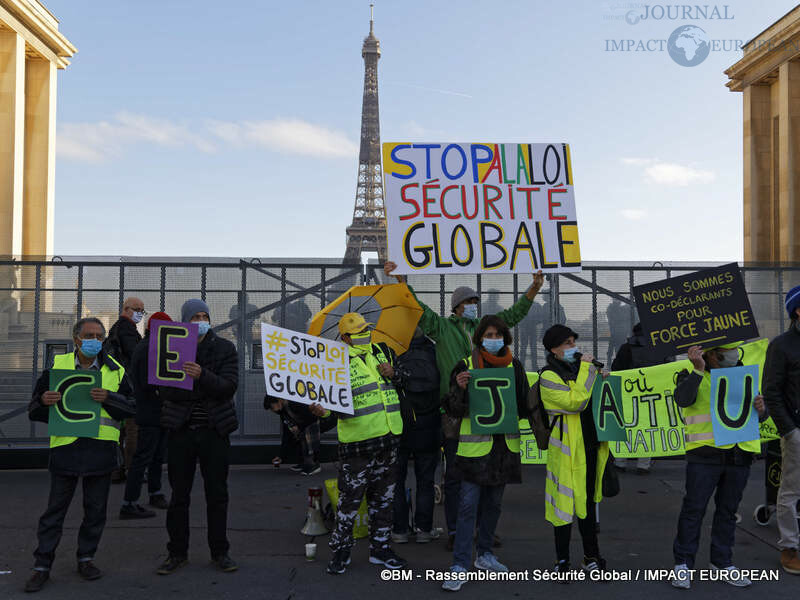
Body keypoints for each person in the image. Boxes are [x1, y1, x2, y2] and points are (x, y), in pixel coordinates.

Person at [384, 261, 544, 550]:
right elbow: (420, 311)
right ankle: (457, 531)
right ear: (456, 307)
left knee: (488, 475)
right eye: (468, 302)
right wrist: (401, 282)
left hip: (489, 413)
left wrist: (533, 289)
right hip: (456, 413)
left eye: (475, 301)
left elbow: (514, 314)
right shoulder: (442, 328)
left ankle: (482, 531)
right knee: (456, 477)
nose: (473, 305)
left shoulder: (485, 330)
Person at [24, 317, 136, 593]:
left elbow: (133, 409)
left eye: (99, 336)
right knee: (54, 512)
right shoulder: (57, 367)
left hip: (101, 451)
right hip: (66, 450)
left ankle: (86, 558)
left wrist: (109, 398)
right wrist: (43, 401)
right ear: (76, 339)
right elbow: (33, 409)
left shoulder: (116, 370)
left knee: (95, 511)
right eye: (89, 335)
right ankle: (42, 566)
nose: (95, 341)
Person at [309, 312, 407, 575]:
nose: (365, 335)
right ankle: (341, 552)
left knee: (384, 500)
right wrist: (323, 413)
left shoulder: (383, 351)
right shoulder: (335, 363)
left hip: (388, 438)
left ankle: (381, 549)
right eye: (359, 332)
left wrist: (394, 372)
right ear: (345, 338)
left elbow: (404, 381)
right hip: (357, 446)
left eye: (367, 330)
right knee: (349, 503)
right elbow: (330, 407)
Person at [440, 315, 531, 592]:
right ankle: (459, 564)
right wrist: (460, 387)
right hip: (474, 450)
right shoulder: (465, 366)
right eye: (489, 334)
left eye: (498, 334)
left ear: (505, 337)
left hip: (503, 449)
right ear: (479, 337)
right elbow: (452, 408)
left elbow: (525, 405)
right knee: (468, 508)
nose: (493, 339)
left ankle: (485, 554)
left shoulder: (515, 366)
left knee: (493, 505)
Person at [670, 343, 768, 589]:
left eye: (735, 349)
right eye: (727, 349)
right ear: (712, 354)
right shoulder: (691, 373)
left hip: (739, 454)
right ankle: (683, 564)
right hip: (705, 455)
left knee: (728, 511)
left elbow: (760, 413)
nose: (734, 354)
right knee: (694, 509)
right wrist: (697, 370)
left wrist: (762, 409)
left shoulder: (745, 374)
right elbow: (683, 399)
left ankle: (722, 562)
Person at [157, 299, 239, 575]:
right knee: (179, 496)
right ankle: (176, 552)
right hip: (181, 433)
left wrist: (201, 375)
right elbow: (166, 392)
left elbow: (228, 387)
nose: (200, 321)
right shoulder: (171, 348)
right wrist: (203, 384)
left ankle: (220, 552)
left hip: (215, 432)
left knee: (217, 494)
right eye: (195, 317)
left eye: (204, 315)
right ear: (185, 321)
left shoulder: (226, 348)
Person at [539, 324, 608, 575]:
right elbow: (575, 402)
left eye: (573, 342)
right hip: (566, 452)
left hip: (589, 448)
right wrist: (589, 372)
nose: (574, 348)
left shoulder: (582, 371)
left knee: (587, 506)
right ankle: (562, 561)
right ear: (553, 349)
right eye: (567, 343)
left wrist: (600, 379)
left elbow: (592, 398)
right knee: (563, 507)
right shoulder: (548, 376)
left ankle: (591, 556)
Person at [762, 284, 800, 575]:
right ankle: (789, 546)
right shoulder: (781, 345)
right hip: (796, 431)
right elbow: (771, 392)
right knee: (791, 491)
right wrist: (789, 430)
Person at [119, 311, 173, 519]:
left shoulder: (149, 346)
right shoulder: (151, 349)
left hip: (153, 411)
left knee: (155, 456)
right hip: (152, 411)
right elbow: (149, 383)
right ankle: (129, 503)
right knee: (145, 457)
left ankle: (154, 493)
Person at [391, 327, 441, 544]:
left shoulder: (392, 352)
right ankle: (424, 530)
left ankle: (400, 530)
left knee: (397, 480)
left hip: (400, 424)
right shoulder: (434, 351)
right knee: (426, 481)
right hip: (429, 423)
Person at [611, 322, 662, 475]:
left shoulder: (626, 348)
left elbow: (616, 368)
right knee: (648, 428)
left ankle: (620, 462)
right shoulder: (659, 348)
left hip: (628, 394)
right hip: (652, 395)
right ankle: (643, 464)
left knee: (625, 426)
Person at [105, 297, 145, 484]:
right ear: (126, 309)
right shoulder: (127, 328)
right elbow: (134, 354)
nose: (139, 313)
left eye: (142, 310)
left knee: (117, 431)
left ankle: (116, 470)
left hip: (117, 385)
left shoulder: (115, 328)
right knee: (133, 430)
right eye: (137, 309)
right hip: (129, 387)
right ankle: (132, 470)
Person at [264, 395, 322, 475]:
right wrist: (281, 455)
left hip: (313, 423)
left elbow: (311, 417)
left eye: (272, 407)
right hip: (305, 424)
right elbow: (286, 433)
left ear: (279, 400)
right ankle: (304, 463)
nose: (273, 410)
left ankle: (313, 465)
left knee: (306, 437)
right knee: (295, 435)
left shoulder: (293, 404)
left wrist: (298, 427)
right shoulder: (283, 410)